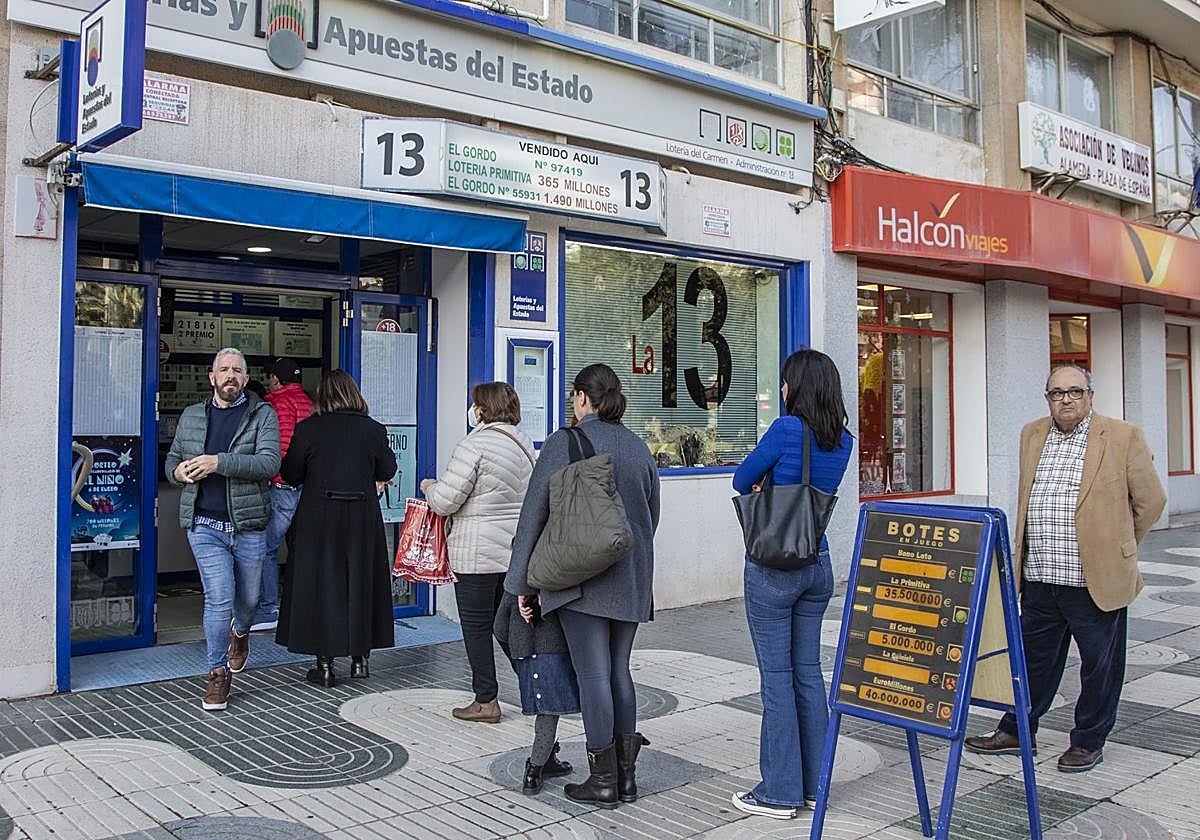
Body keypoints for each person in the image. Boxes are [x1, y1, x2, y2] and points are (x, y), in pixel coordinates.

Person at [966, 365, 1166, 772]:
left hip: (1093, 580)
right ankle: (1016, 729)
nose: (1066, 399)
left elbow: (1151, 502)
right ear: (1047, 398)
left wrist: (1118, 547)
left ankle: (1089, 740)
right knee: (1031, 660)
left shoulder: (1122, 435)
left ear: (1090, 394)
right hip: (1040, 576)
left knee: (1099, 665)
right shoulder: (1033, 434)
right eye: (1057, 393)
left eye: (1075, 391)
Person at [506, 363, 660, 808]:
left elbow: (533, 515)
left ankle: (603, 781)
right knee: (618, 672)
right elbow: (652, 517)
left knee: (593, 675)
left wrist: (521, 583)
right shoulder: (637, 446)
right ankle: (627, 778)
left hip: (578, 582)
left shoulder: (563, 443)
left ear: (580, 397)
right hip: (631, 579)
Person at [729, 349, 854, 820]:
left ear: (795, 387)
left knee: (776, 680)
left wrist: (765, 485)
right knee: (807, 675)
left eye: (785, 382)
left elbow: (743, 479)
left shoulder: (786, 430)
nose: (781, 390)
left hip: (773, 569)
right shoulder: (842, 440)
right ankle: (813, 786)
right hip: (817, 563)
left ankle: (779, 791)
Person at [165, 347, 281, 712]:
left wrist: (219, 463)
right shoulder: (192, 416)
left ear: (245, 379)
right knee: (219, 598)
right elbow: (172, 459)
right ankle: (217, 673)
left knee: (248, 600)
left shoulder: (263, 414)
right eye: (224, 370)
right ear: (212, 377)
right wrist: (178, 472)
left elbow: (269, 463)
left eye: (237, 370)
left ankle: (241, 634)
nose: (230, 375)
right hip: (204, 525)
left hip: (248, 525)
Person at [420, 382, 537, 724]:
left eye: (475, 404)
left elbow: (445, 501)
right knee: (512, 627)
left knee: (477, 628)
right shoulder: (524, 444)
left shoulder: (474, 446)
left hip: (476, 553)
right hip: (513, 551)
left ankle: (486, 700)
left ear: (483, 409)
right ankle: (537, 689)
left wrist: (430, 487)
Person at [275, 370, 397, 687]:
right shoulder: (373, 430)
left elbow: (290, 474)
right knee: (360, 582)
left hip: (318, 518)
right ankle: (360, 659)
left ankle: (325, 664)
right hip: (362, 518)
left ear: (322, 397)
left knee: (321, 585)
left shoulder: (309, 429)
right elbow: (388, 468)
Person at [493, 591, 578, 795]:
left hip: (524, 649)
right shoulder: (555, 577)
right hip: (554, 647)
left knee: (545, 709)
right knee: (548, 711)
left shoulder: (516, 580)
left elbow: (499, 628)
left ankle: (546, 759)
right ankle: (534, 769)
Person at [252, 357, 314, 632]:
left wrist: (274, 476)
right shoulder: (309, 402)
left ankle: (269, 608)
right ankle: (301, 605)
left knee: (267, 549)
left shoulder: (277, 403)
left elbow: (282, 446)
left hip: (283, 486)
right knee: (301, 548)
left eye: (270, 377)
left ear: (276, 379)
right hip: (307, 486)